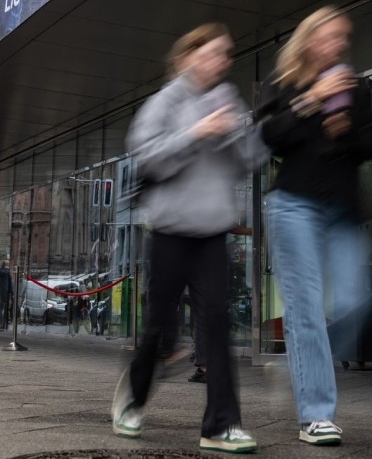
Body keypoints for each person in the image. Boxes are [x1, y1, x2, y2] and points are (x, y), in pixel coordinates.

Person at [111, 23, 260, 454]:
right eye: (212, 53)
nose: (220, 62)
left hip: (213, 230)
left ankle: (220, 425)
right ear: (187, 57)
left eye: (226, 55)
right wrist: (196, 134)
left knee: (216, 325)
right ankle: (133, 400)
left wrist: (240, 134)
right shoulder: (163, 102)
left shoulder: (226, 98)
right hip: (172, 230)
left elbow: (247, 162)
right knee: (159, 327)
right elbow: (147, 158)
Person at [256, 6, 372, 447]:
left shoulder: (356, 86)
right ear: (310, 40)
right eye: (330, 37)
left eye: (343, 38)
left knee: (356, 301)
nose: (338, 45)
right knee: (306, 308)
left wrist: (347, 127)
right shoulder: (285, 82)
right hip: (294, 205)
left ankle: (307, 360)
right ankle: (316, 413)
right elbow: (271, 137)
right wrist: (312, 100)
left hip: (342, 208)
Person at [0, 258, 14, 331]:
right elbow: (10, 284)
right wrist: (12, 293)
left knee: (0, 309)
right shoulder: (8, 273)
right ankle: (5, 324)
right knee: (6, 309)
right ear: (6, 265)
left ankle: (1, 324)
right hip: (6, 292)